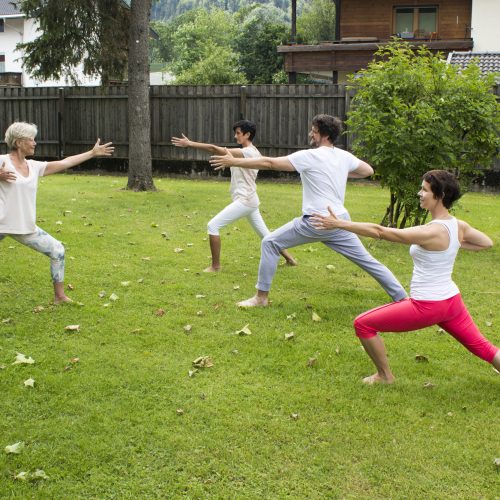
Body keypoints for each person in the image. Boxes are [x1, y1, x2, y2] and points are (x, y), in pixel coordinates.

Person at [310, 169, 500, 384]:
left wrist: (339, 224)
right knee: (485, 348)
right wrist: (456, 244)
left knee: (362, 324)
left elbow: (380, 232)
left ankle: (384, 376)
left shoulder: (431, 232)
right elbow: (486, 242)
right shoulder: (458, 225)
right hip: (451, 301)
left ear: (441, 195)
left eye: (425, 190)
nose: (420, 193)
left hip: (428, 305)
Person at [210, 114, 407, 307]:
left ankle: (260, 298)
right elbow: (368, 171)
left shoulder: (309, 156)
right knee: (367, 260)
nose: (310, 134)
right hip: (340, 221)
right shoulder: (343, 156)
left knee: (270, 242)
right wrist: (339, 172)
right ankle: (402, 297)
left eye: (314, 131)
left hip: (316, 221)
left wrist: (233, 161)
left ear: (324, 135)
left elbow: (269, 163)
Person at [0, 122, 114, 304]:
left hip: (23, 226)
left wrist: (92, 153)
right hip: (1, 223)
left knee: (57, 249)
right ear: (19, 142)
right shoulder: (2, 161)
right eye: (31, 139)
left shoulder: (34, 166)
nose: (35, 143)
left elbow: (65, 162)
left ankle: (59, 297)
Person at [172, 120, 297, 272]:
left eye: (238, 133)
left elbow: (214, 148)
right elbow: (223, 153)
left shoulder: (248, 152)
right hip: (250, 200)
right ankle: (290, 259)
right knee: (265, 234)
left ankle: (215, 266)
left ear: (247, 134)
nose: (235, 136)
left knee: (213, 226)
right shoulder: (248, 152)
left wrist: (190, 143)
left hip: (245, 200)